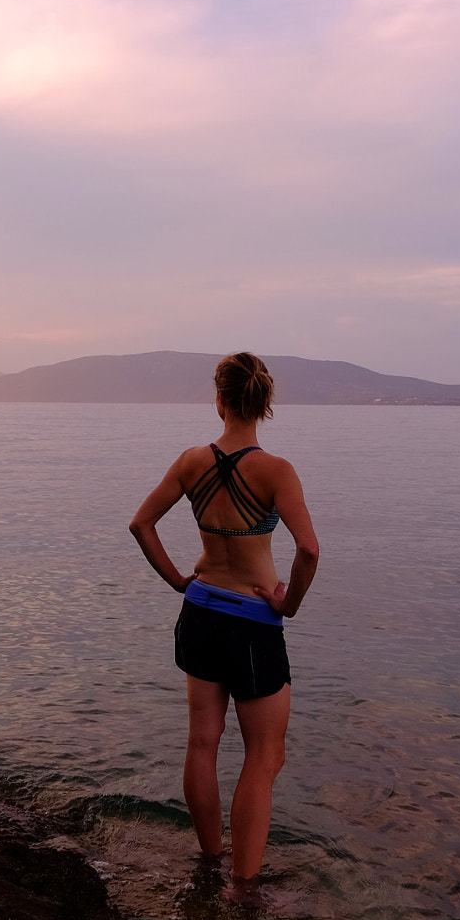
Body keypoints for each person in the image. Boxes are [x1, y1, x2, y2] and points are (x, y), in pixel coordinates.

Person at [129, 352, 320, 886]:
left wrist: (176, 581)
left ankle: (211, 861)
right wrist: (289, 604)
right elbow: (308, 550)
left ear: (220, 400)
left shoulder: (192, 461)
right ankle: (245, 888)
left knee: (201, 743)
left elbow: (141, 524)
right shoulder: (276, 471)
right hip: (254, 624)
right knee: (264, 756)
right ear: (264, 403)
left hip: (201, 609)